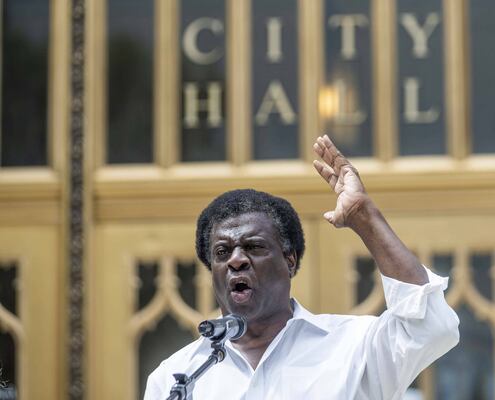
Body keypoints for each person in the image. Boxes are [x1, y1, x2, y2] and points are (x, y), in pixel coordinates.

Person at [144, 135, 459, 399]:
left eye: (253, 247)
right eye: (222, 252)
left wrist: (365, 217)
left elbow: (432, 327)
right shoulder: (177, 376)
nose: (236, 260)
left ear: (289, 259)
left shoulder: (353, 346)